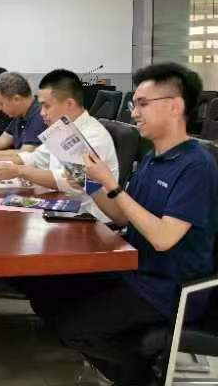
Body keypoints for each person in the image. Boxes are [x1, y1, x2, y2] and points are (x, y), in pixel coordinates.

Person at [19, 63, 218, 386]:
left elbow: (163, 238)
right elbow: (122, 217)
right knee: (47, 293)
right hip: (134, 271)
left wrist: (111, 184)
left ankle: (142, 374)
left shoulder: (197, 166)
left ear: (174, 106)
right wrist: (91, 183)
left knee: (74, 327)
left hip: (168, 290)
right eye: (134, 104)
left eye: (142, 104)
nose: (134, 112)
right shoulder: (153, 158)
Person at [0, 69, 118, 221]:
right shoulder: (62, 129)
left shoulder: (93, 136)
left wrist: (19, 171)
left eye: (46, 106)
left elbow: (68, 181)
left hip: (87, 220)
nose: (42, 113)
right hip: (62, 209)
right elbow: (36, 157)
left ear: (69, 104)